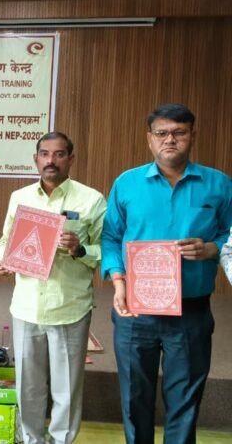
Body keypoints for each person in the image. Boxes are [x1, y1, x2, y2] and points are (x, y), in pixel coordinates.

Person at [101, 103, 232, 444]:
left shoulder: (219, 185)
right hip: (135, 310)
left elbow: (229, 235)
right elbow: (111, 237)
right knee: (135, 399)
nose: (169, 140)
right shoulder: (127, 183)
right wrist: (118, 280)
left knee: (185, 400)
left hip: (191, 310)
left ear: (192, 136)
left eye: (179, 132)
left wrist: (211, 248)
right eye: (162, 133)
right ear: (149, 139)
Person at [0, 132, 106, 444]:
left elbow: (107, 252)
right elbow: (6, 239)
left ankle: (61, 440)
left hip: (69, 306)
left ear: (71, 159)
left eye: (59, 154)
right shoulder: (20, 197)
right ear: (36, 159)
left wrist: (80, 249)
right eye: (44, 154)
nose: (51, 160)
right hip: (26, 305)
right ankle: (31, 439)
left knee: (66, 388)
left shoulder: (91, 200)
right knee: (27, 385)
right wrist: (4, 260)